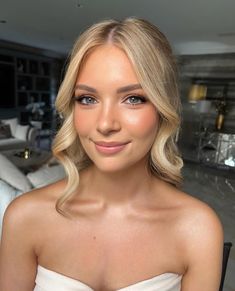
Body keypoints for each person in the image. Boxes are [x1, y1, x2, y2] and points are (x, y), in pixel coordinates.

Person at [0, 17, 223, 291]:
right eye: (88, 99)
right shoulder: (25, 216)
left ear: (162, 109)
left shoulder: (197, 228)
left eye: (133, 99)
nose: (105, 124)